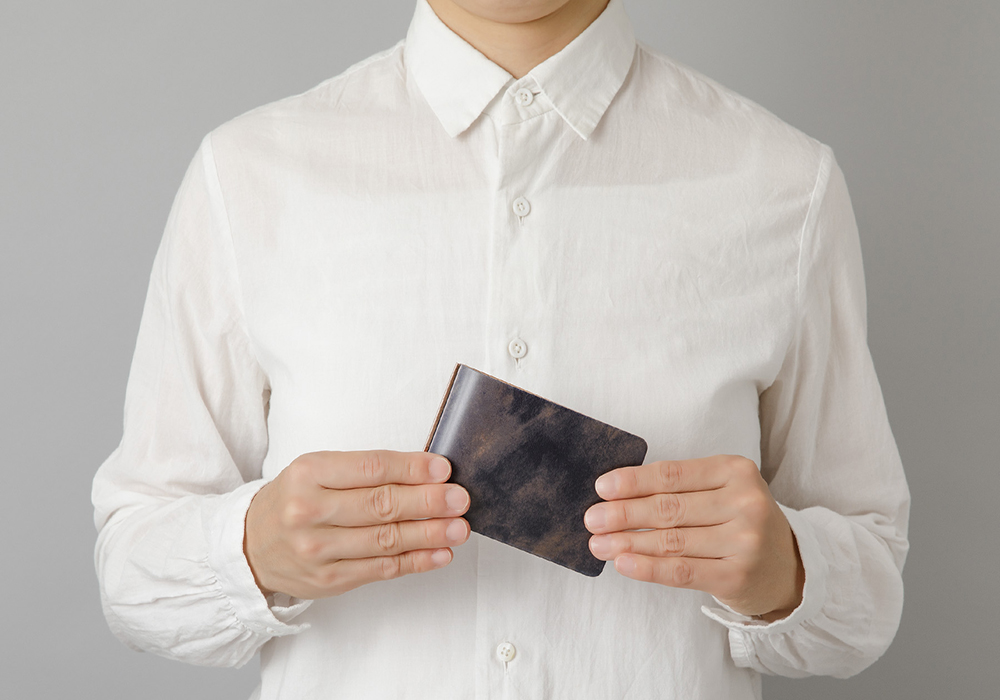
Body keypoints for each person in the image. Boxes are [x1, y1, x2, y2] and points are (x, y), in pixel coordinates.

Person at [92, 0, 910, 697]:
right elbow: (131, 575)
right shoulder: (250, 176)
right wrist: (251, 550)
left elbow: (869, 596)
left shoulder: (783, 184)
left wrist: (787, 572)